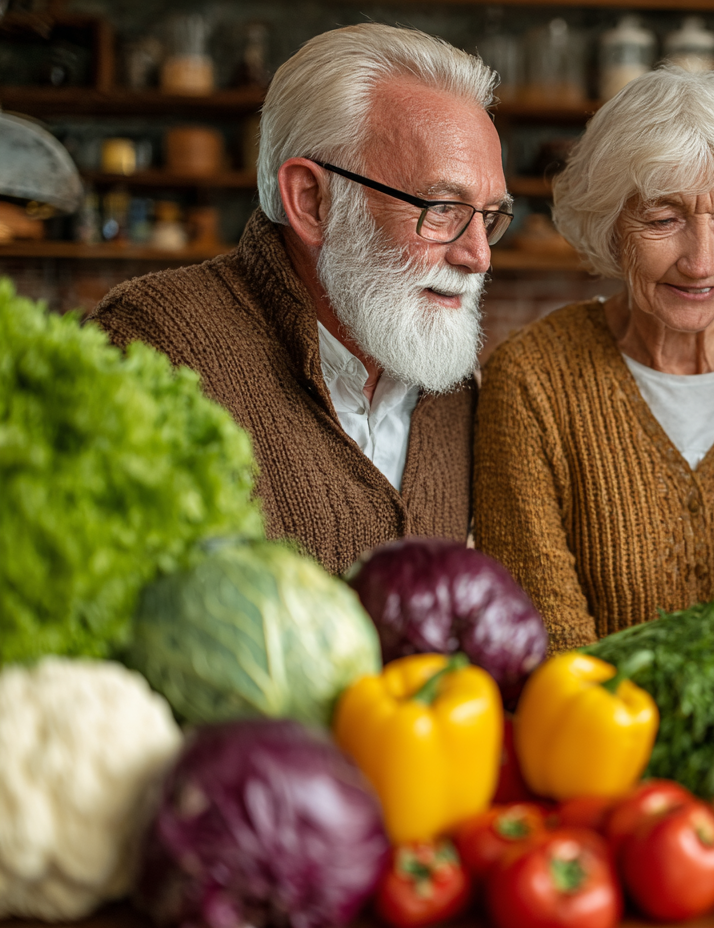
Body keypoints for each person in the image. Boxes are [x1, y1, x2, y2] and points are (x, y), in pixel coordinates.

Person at [89, 25, 511, 573]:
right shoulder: (151, 347)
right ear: (312, 201)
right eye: (442, 209)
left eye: (490, 216)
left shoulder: (455, 386)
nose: (478, 256)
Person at [473, 67, 714, 653]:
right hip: (596, 709)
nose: (700, 262)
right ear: (610, 225)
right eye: (663, 219)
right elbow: (548, 639)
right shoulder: (533, 377)